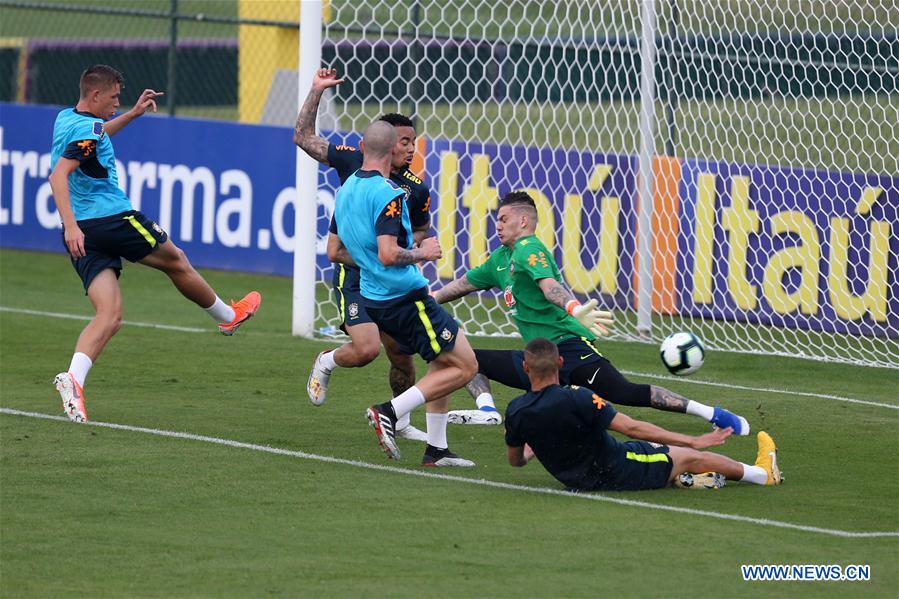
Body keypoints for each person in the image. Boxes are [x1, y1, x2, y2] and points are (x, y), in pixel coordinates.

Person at [434, 191, 750, 434]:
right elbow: (460, 285)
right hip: (539, 358)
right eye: (497, 219)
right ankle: (488, 411)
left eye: (503, 218)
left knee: (625, 393)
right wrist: (421, 300)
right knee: (466, 358)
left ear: (524, 221)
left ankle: (714, 414)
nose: (497, 224)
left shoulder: (529, 249)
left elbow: (550, 287)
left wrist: (574, 308)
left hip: (569, 346)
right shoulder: (499, 260)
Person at [48, 65, 261, 423]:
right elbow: (58, 174)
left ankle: (73, 380)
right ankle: (228, 316)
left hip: (85, 230)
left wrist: (132, 113)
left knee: (110, 315)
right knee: (176, 260)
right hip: (110, 219)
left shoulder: (67, 119)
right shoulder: (87, 130)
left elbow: (94, 136)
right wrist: (71, 226)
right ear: (96, 95)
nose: (117, 102)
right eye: (114, 97)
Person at [294, 68, 485, 441]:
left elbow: (416, 237)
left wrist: (408, 252)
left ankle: (398, 422)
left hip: (390, 282)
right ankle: (326, 361)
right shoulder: (355, 163)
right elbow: (303, 137)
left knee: (401, 355)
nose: (410, 148)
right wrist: (316, 90)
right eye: (403, 141)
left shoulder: (417, 190)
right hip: (357, 278)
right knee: (366, 350)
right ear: (384, 144)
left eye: (414, 141)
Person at [333, 120, 479, 467]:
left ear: (363, 147)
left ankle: (437, 449)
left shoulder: (348, 188)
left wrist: (372, 263)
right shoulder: (389, 194)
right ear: (391, 150)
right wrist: (422, 253)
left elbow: (334, 249)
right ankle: (389, 412)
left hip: (374, 297)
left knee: (441, 361)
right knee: (466, 366)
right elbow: (388, 253)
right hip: (403, 297)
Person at [505, 338, 783, 491]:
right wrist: (692, 440)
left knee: (652, 449)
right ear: (561, 363)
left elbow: (515, 461)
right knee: (687, 455)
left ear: (526, 368)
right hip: (614, 471)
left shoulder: (516, 410)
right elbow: (632, 428)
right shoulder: (578, 396)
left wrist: (531, 450)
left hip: (574, 478)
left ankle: (689, 478)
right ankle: (761, 474)